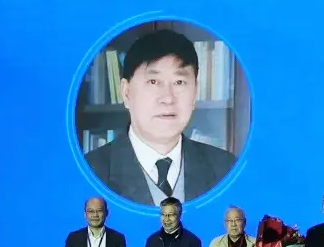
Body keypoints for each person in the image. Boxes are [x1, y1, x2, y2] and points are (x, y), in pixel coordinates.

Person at [85, 29, 237, 207]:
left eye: (179, 82)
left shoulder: (227, 169)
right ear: (126, 92)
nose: (168, 98)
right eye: (153, 82)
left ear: (195, 92)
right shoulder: (89, 173)